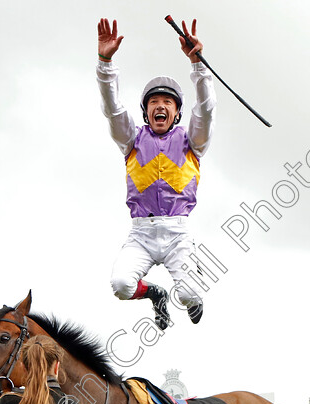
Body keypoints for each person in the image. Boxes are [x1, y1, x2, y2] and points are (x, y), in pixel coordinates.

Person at [97, 17, 216, 329]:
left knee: (189, 294)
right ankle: (155, 294)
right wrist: (105, 62)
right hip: (141, 233)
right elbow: (112, 108)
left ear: (176, 112)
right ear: (146, 111)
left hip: (178, 233)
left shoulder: (193, 141)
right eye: (154, 102)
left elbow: (206, 109)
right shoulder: (131, 139)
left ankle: (194, 295)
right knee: (121, 286)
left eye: (167, 102)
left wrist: (198, 66)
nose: (160, 106)